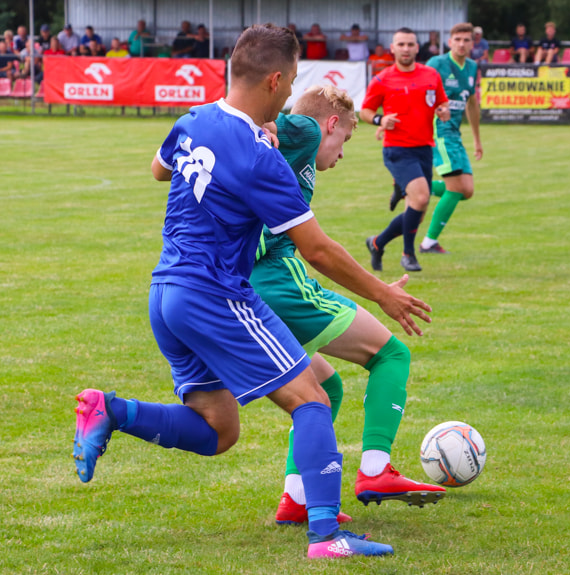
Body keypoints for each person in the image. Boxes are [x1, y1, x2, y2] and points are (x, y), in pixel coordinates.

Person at [69, 24, 426, 559]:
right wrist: (383, 294)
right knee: (312, 398)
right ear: (276, 79)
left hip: (165, 294)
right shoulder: (260, 157)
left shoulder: (195, 119)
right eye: (290, 85)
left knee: (219, 430)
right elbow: (318, 250)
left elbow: (159, 169)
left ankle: (111, 410)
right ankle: (326, 536)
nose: (289, 99)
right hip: (216, 293)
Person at [251, 85, 445, 525]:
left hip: (247, 286)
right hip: (277, 281)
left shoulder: (296, 154)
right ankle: (376, 470)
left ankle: (296, 497)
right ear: (331, 125)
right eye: (346, 141)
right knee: (391, 354)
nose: (341, 153)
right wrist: (261, 123)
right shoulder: (304, 129)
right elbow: (277, 122)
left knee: (325, 389)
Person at [361, 27, 450, 273]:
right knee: (421, 198)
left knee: (417, 212)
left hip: (424, 148)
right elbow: (365, 111)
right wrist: (380, 120)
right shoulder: (382, 79)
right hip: (397, 149)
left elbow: (441, 102)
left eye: (410, 44)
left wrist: (443, 111)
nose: (406, 49)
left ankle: (377, 243)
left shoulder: (431, 75)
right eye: (401, 44)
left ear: (416, 47)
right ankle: (408, 255)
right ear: (393, 48)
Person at [414, 22, 483, 255]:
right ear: (450, 41)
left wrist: (477, 140)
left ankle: (414, 187)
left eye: (466, 40)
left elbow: (472, 104)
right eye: (458, 39)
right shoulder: (437, 64)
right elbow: (418, 94)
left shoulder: (472, 67)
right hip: (438, 132)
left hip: (455, 134)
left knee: (467, 190)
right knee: (456, 188)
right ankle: (428, 242)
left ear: (472, 43)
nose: (462, 44)